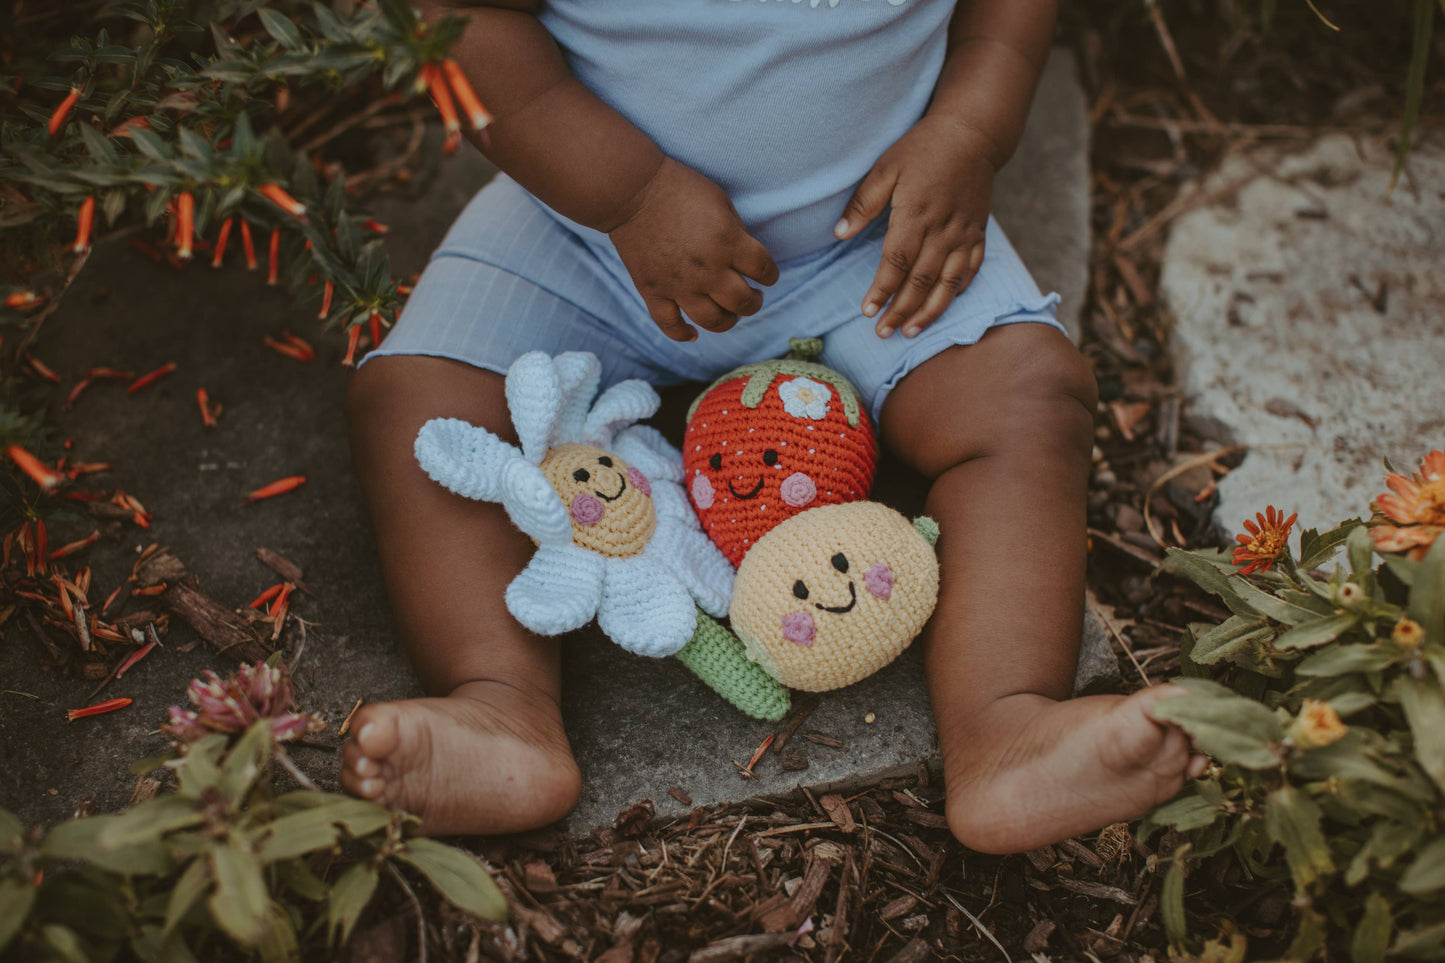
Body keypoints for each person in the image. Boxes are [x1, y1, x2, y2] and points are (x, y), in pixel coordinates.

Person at [339, 0, 1204, 853]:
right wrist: (627, 193)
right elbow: (466, 23)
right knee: (421, 404)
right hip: (583, 234)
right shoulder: (597, 208)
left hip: (872, 238)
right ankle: (498, 703)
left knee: (1026, 397)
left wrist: (970, 131)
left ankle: (1007, 724)